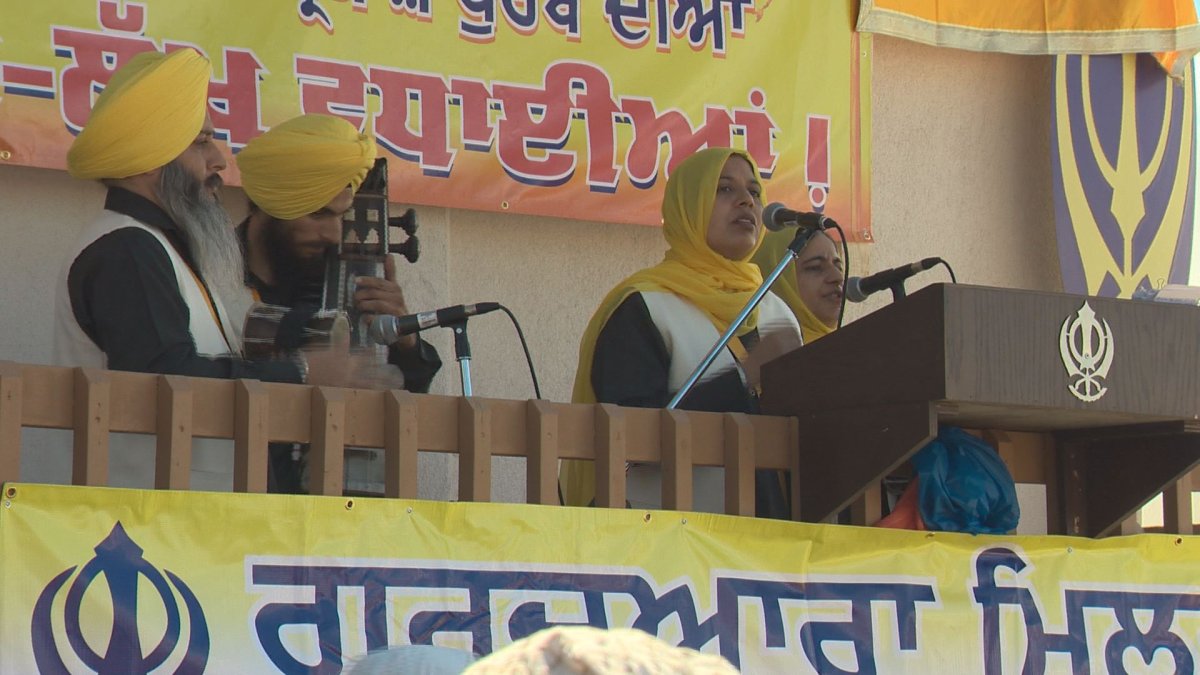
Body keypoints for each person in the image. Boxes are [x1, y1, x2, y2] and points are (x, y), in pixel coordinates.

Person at [54, 49, 399, 491]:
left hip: (190, 523)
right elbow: (166, 379)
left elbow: (240, 328)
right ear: (149, 157)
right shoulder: (127, 249)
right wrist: (306, 374)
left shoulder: (166, 248)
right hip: (147, 525)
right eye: (201, 142)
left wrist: (328, 332)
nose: (218, 160)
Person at [561, 147, 802, 516]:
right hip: (663, 544)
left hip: (769, 544)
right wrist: (746, 376)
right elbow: (628, 435)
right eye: (724, 190)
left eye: (754, 192)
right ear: (688, 206)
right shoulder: (644, 305)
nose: (745, 202)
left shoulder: (775, 311)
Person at [235, 114, 441, 492]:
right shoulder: (214, 274)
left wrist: (401, 336)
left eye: (342, 216)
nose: (332, 233)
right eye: (317, 214)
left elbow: (402, 394)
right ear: (274, 203)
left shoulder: (343, 277)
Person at [750, 227, 844, 344]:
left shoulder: (851, 351)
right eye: (815, 267)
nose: (837, 277)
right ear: (777, 280)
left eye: (838, 267)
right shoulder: (752, 353)